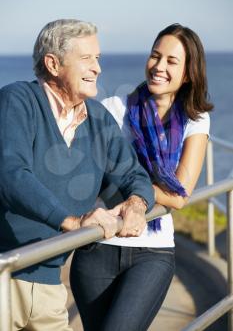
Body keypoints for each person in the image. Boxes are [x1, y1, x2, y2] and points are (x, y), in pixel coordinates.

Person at [0, 19, 155, 331]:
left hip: (50, 288)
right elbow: (11, 174)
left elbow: (134, 174)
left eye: (97, 58)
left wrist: (137, 204)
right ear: (53, 63)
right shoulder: (16, 100)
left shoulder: (98, 119)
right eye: (86, 58)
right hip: (4, 277)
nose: (97, 68)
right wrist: (71, 222)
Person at [70, 23, 213, 331]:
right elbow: (83, 175)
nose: (158, 67)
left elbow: (179, 195)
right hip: (99, 245)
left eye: (171, 61)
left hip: (153, 251)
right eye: (155, 56)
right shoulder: (113, 109)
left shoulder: (195, 119)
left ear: (188, 73)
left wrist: (132, 190)